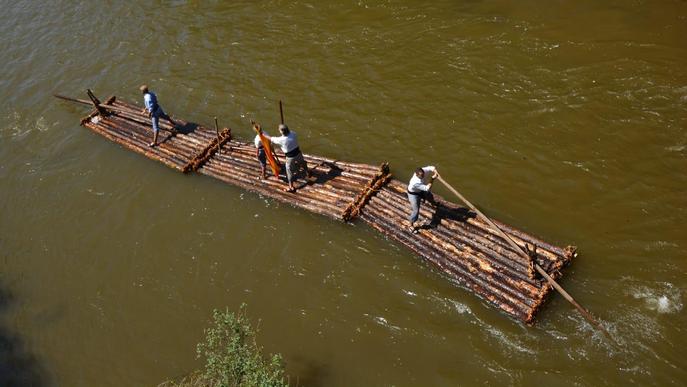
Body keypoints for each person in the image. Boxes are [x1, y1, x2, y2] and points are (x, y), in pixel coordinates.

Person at [266, 124, 309, 192]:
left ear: (281, 131)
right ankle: (307, 172)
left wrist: (262, 133)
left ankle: (291, 187)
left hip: (290, 157)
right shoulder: (293, 133)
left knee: (289, 171)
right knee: (302, 163)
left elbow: (271, 138)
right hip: (298, 153)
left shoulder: (281, 140)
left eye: (279, 130)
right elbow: (288, 133)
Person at [407, 166, 439, 233]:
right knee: (416, 210)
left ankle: (433, 203)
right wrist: (432, 178)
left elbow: (432, 167)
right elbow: (427, 188)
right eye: (421, 176)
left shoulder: (423, 170)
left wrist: (435, 172)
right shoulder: (415, 182)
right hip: (413, 194)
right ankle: (410, 224)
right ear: (416, 174)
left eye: (423, 174)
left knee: (429, 195)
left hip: (420, 190)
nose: (422, 176)